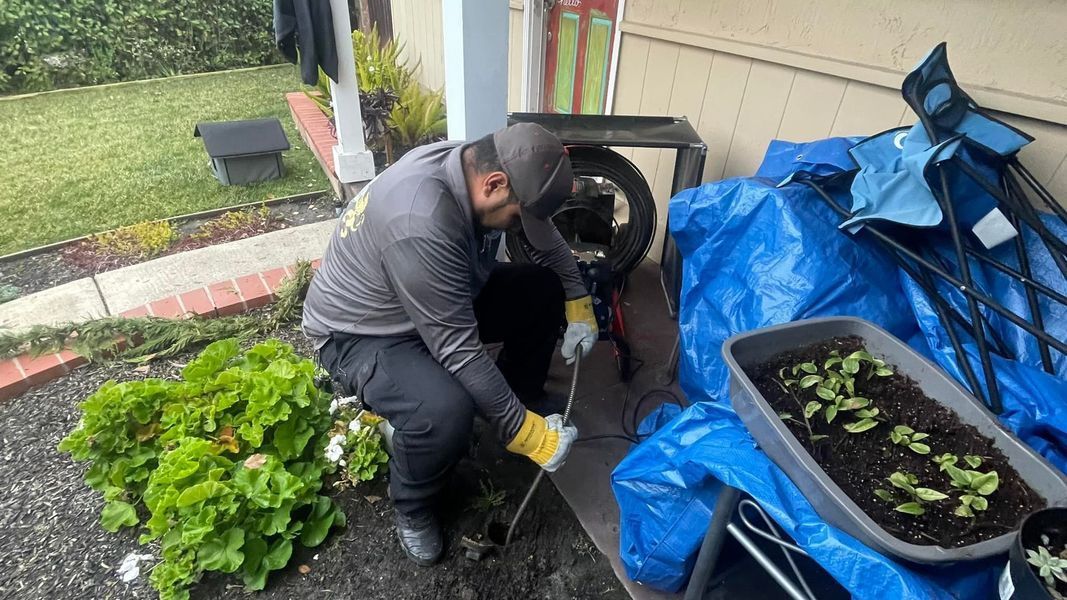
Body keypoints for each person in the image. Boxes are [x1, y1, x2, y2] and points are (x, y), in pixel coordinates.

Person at [302, 122, 599, 565]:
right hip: (362, 333)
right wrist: (527, 434)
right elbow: (457, 348)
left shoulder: (481, 162)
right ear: (495, 185)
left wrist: (578, 299)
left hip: (435, 296)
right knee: (443, 411)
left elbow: (541, 234)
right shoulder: (419, 218)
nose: (520, 228)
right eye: (518, 218)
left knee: (540, 289)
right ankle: (413, 505)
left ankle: (520, 397)